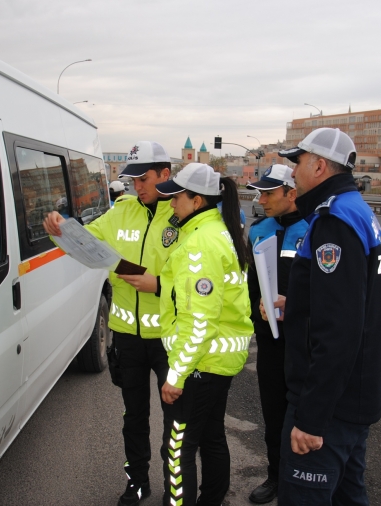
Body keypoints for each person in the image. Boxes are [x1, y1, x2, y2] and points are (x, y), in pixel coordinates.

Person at [43, 141, 180, 506]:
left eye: (144, 178)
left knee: (175, 422)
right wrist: (60, 228)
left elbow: (198, 278)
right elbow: (86, 240)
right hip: (128, 339)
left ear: (165, 175)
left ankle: (174, 489)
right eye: (132, 179)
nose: (137, 185)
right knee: (133, 415)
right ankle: (137, 483)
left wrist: (159, 283)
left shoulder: (183, 214)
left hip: (170, 339)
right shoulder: (122, 212)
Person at [269, 128, 381, 505]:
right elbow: (355, 304)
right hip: (352, 398)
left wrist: (311, 418)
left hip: (330, 408)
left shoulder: (335, 220)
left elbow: (340, 330)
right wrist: (300, 304)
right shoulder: (356, 210)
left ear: (319, 166)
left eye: (298, 162)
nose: (292, 173)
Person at [155, 163, 254, 506]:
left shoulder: (201, 244)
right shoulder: (218, 232)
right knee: (211, 436)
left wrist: (177, 375)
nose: (170, 204)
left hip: (201, 363)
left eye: (176, 197)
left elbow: (200, 320)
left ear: (197, 201)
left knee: (179, 445)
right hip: (216, 362)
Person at [243, 164, 307, 504]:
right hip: (269, 342)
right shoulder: (258, 229)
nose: (261, 199)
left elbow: (323, 291)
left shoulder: (313, 229)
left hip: (304, 344)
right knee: (272, 411)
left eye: (268, 193)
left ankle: (302, 478)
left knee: (304, 416)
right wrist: (257, 309)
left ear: (291, 193)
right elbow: (251, 285)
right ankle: (276, 476)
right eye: (259, 192)